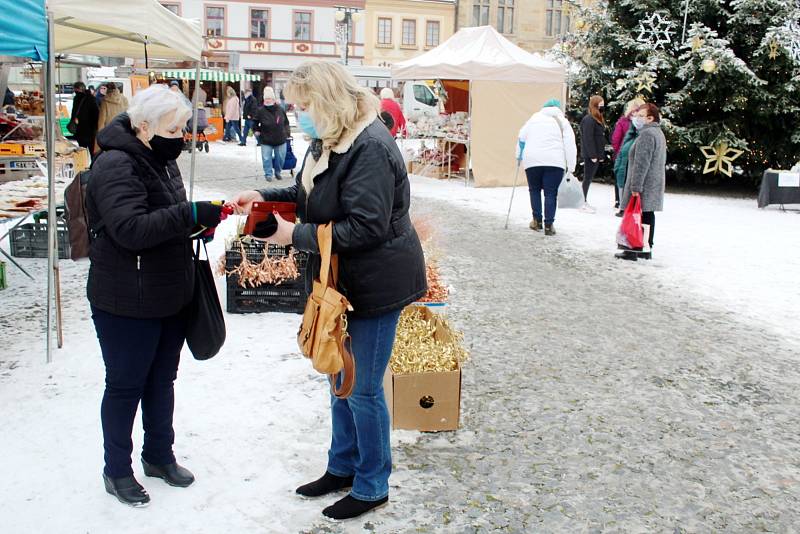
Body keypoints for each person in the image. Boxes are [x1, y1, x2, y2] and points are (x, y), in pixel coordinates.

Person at [231, 60, 427, 521]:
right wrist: (261, 196)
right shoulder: (330, 139)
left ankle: (372, 483)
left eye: (305, 105)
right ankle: (342, 466)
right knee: (337, 375)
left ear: (329, 100)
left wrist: (293, 236)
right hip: (341, 280)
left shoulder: (370, 146)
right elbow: (310, 196)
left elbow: (367, 227)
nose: (299, 113)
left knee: (361, 389)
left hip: (376, 283)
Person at [85, 84, 225, 507]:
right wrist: (188, 214)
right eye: (175, 128)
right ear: (143, 126)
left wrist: (200, 224)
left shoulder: (159, 159)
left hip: (168, 292)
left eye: (184, 128)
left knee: (162, 381)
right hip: (126, 299)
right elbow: (130, 230)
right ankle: (117, 470)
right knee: (127, 385)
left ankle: (159, 455)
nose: (181, 137)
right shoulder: (114, 164)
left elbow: (165, 219)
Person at [517, 98, 577, 236]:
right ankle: (549, 225)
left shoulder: (534, 118)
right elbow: (570, 144)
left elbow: (521, 138)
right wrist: (571, 166)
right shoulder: (562, 121)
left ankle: (536, 221)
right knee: (551, 193)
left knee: (534, 190)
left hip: (532, 161)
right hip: (555, 162)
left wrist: (519, 156)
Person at [616, 103, 666, 261]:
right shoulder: (656, 133)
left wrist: (636, 186)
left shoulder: (647, 135)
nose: (636, 118)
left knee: (640, 215)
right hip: (652, 182)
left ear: (650, 118)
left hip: (644, 183)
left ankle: (636, 248)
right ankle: (645, 246)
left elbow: (641, 162)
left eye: (641, 115)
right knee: (646, 214)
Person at [610, 97, 645, 210]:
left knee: (620, 179)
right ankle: (628, 203)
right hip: (629, 154)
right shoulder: (642, 124)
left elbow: (616, 139)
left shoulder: (623, 121)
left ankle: (619, 201)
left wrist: (618, 150)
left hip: (623, 153)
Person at [253, 87, 290, 182]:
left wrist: (287, 133)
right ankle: (268, 174)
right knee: (266, 158)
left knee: (280, 158)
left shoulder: (280, 109)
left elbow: (286, 122)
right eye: (266, 99)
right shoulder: (260, 111)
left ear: (273, 99)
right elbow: (255, 122)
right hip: (266, 139)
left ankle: (278, 172)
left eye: (269, 99)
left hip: (280, 138)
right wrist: (256, 130)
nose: (267, 100)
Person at [579, 95, 607, 213]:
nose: (602, 107)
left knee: (589, 178)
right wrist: (593, 155)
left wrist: (600, 155)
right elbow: (588, 138)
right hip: (591, 155)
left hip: (595, 154)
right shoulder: (589, 119)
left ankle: (583, 200)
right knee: (587, 178)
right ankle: (581, 201)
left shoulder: (597, 118)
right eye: (601, 104)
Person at [70, 81, 99, 155]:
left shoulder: (88, 99)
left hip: (86, 128)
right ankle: (87, 164)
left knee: (85, 149)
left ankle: (86, 163)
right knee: (87, 149)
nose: (75, 91)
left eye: (76, 90)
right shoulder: (90, 98)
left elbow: (96, 113)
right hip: (86, 129)